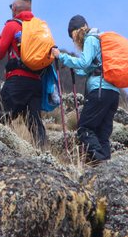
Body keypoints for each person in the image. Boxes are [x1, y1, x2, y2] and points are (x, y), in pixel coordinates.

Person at [51, 15, 119, 164]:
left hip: (100, 91)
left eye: (72, 36)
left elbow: (84, 62)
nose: (73, 40)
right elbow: (90, 67)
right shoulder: (100, 40)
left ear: (76, 32)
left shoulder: (91, 39)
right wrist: (76, 70)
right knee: (102, 133)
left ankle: (99, 162)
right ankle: (106, 168)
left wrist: (62, 57)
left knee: (84, 127)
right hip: (113, 92)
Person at [0, 0, 47, 148]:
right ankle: (43, 153)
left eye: (12, 7)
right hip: (36, 81)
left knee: (3, 118)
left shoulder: (12, 25)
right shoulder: (38, 27)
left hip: (17, 79)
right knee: (35, 122)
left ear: (15, 9)